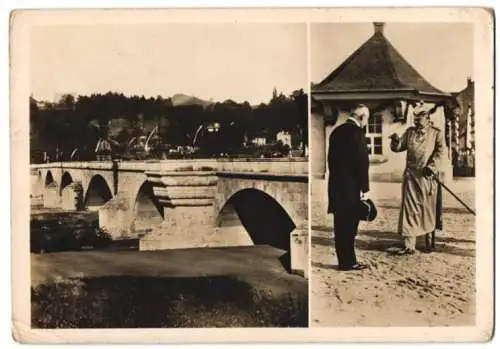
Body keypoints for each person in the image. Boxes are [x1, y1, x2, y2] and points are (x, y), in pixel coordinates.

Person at [389, 102, 444, 255]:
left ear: (427, 117)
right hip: (411, 177)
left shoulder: (436, 134)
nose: (416, 121)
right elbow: (399, 147)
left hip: (426, 177)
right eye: (415, 118)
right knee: (409, 210)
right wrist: (395, 141)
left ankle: (428, 241)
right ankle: (409, 246)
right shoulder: (410, 132)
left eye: (419, 118)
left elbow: (440, 153)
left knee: (426, 209)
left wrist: (431, 167)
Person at [327, 104, 370, 271]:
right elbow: (362, 163)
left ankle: (343, 261)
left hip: (336, 186)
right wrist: (364, 189)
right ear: (361, 117)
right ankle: (349, 262)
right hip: (351, 189)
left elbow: (331, 161)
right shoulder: (357, 133)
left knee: (339, 225)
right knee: (350, 226)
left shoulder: (336, 132)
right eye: (366, 118)